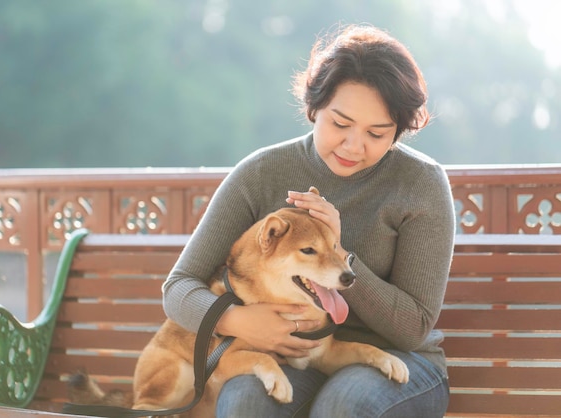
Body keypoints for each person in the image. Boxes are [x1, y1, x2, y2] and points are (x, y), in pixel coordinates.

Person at [162, 23, 454, 418]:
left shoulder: (420, 184)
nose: (354, 146)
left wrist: (339, 251)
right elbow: (179, 287)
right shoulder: (261, 173)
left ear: (398, 132)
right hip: (289, 357)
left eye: (377, 133)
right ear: (314, 108)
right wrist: (238, 321)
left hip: (398, 361)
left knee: (343, 404)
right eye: (340, 123)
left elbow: (413, 327)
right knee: (245, 399)